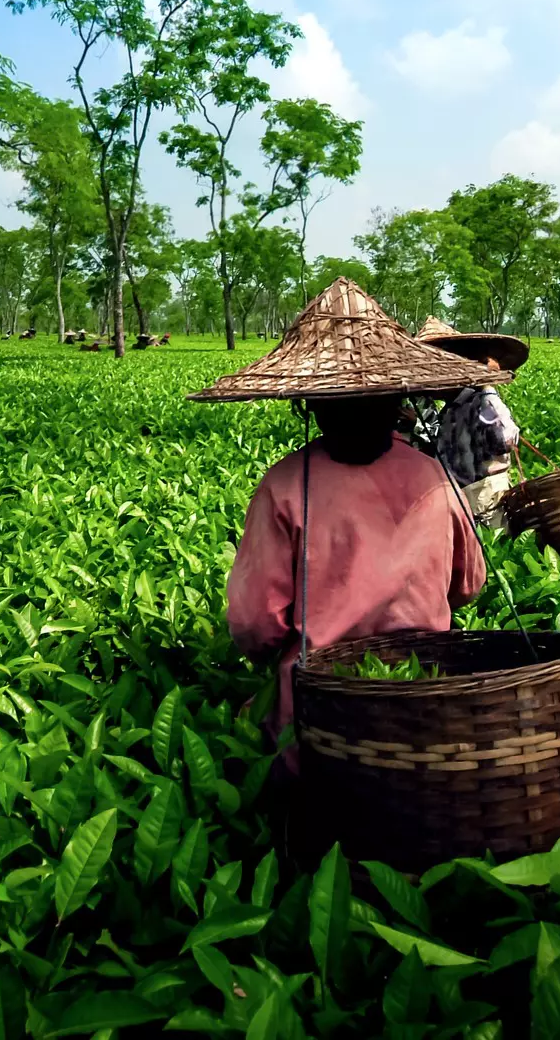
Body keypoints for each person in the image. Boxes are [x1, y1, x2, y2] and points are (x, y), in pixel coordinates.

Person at [190, 279, 512, 794]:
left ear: (311, 404)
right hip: (424, 702)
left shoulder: (285, 484)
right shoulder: (433, 477)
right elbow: (468, 585)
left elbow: (255, 625)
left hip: (320, 714)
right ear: (398, 402)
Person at [416, 318, 527, 529]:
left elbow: (504, 440)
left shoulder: (480, 402)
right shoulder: (450, 409)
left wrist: (487, 384)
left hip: (487, 512)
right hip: (455, 507)